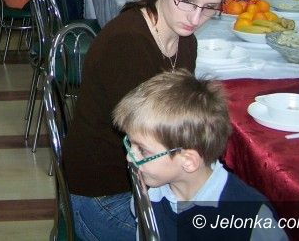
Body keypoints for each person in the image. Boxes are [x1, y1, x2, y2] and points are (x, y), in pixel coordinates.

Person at [62, 0, 232, 241]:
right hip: (104, 193)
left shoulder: (184, 40)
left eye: (209, 8)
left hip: (146, 178)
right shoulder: (127, 44)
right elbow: (153, 148)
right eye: (187, 1)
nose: (195, 18)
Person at [110, 70, 286, 241]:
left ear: (188, 161)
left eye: (142, 150)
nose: (129, 157)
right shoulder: (148, 195)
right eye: (130, 143)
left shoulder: (250, 218)